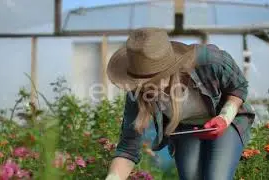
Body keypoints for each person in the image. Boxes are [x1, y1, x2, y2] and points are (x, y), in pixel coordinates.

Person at [105, 28, 255, 180]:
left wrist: (225, 117)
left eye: (151, 81)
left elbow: (238, 87)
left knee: (216, 176)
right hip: (184, 127)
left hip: (224, 119)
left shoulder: (208, 61)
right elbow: (128, 148)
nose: (145, 88)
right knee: (190, 176)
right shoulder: (137, 91)